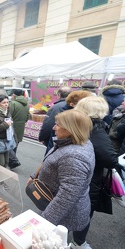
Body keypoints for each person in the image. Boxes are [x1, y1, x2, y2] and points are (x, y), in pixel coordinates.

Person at [27, 109, 95, 249]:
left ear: (71, 129)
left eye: (58, 124)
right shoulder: (72, 142)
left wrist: (44, 221)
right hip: (56, 203)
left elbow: (67, 197)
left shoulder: (73, 156)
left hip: (65, 213)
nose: (53, 127)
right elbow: (50, 160)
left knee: (54, 241)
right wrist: (35, 175)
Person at [74, 96, 119, 247]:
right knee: (84, 211)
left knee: (68, 205)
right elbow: (110, 159)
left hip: (72, 173)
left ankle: (59, 234)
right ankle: (78, 242)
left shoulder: (74, 123)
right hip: (89, 178)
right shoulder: (96, 129)